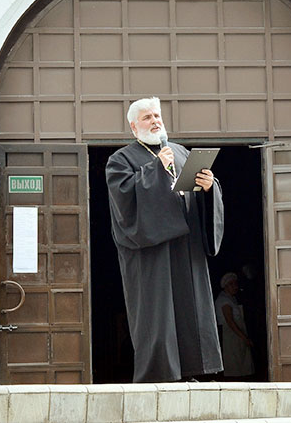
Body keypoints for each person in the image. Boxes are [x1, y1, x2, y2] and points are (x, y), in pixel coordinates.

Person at [105, 97, 224, 382]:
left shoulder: (180, 152)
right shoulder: (121, 160)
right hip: (152, 252)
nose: (155, 121)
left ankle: (191, 370)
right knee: (157, 316)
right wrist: (156, 168)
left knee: (189, 308)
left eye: (157, 115)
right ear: (134, 127)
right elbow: (124, 200)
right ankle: (159, 376)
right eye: (147, 118)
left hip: (186, 248)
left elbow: (199, 195)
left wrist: (209, 187)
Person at [214, 272, 254, 378]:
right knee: (233, 364)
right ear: (225, 286)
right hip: (231, 336)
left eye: (235, 284)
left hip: (237, 335)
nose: (235, 287)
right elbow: (230, 322)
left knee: (241, 364)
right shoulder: (224, 300)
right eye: (231, 284)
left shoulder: (232, 298)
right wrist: (244, 338)